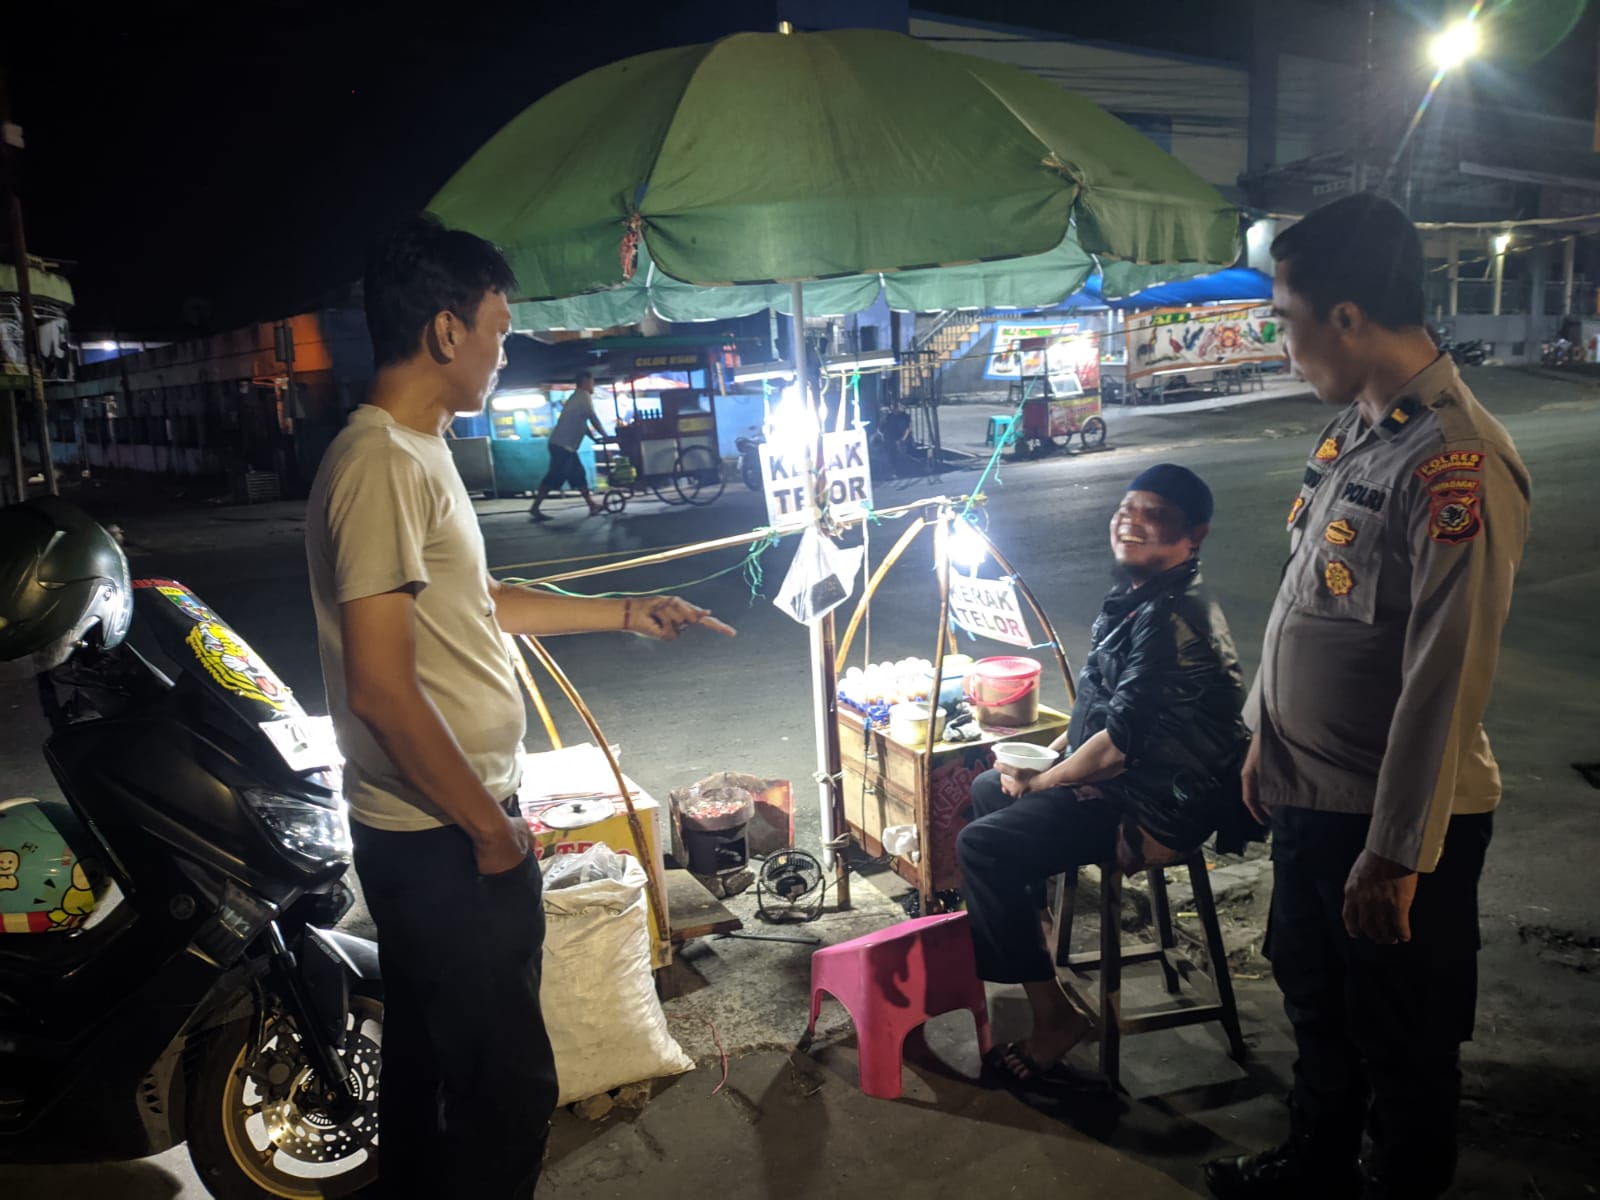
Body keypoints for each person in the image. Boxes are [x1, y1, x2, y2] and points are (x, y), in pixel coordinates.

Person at [305, 215, 735, 1199]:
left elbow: (481, 603)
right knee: (506, 1092)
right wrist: (489, 832)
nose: (504, 354)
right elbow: (380, 688)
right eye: (498, 331)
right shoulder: (380, 464)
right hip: (441, 839)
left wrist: (626, 610)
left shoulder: (418, 450)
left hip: (443, 832)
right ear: (446, 330)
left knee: (429, 1073)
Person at [1203, 194, 1530, 1200]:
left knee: (1402, 1039)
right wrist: (1263, 734)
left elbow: (1445, 675)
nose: (1280, 342)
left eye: (1285, 319)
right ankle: (1316, 1166)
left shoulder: (1453, 459)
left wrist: (1395, 853)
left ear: (1346, 317)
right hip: (1310, 795)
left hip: (1386, 822)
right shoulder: (1359, 432)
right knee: (1317, 1005)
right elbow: (1306, 599)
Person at [956, 463, 1250, 1093]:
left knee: (982, 847)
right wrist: (1046, 756)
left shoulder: (1174, 617)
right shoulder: (1142, 598)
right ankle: (1034, 940)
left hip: (1157, 803)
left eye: (1153, 516)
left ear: (1193, 535)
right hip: (1129, 776)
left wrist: (1045, 783)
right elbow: (1101, 706)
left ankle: (1055, 1019)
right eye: (1126, 509)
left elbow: (1119, 745)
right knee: (987, 787)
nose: (1130, 523)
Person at [530, 370, 609, 520]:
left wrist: (595, 438)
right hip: (562, 446)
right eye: (591, 382)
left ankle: (592, 505)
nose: (593, 385)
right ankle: (535, 507)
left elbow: (583, 423)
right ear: (585, 382)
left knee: (578, 474)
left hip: (565, 446)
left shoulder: (576, 397)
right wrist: (605, 436)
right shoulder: (583, 396)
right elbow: (593, 418)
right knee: (554, 477)